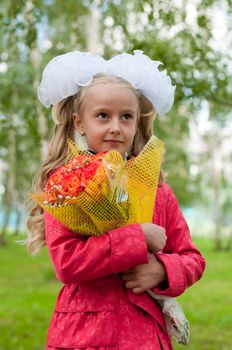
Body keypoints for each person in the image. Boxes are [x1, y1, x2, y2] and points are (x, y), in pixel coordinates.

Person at [27, 50, 205, 350]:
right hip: (84, 332)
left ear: (137, 122)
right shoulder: (65, 186)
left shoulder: (158, 190)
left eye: (126, 117)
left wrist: (162, 270)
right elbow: (66, 263)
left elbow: (193, 259)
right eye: (102, 116)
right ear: (79, 122)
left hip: (145, 334)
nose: (115, 126)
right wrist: (136, 238)